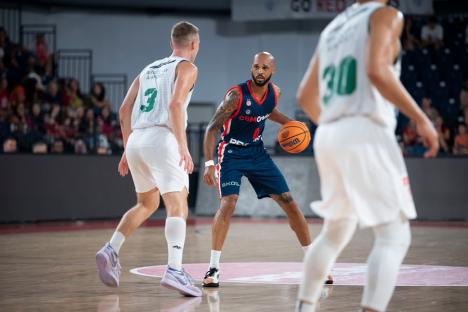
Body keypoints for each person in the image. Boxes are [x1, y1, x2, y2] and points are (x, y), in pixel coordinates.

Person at [295, 1, 438, 311]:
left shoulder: (333, 28)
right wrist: (422, 119)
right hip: (363, 129)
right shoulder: (386, 15)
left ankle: (304, 307)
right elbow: (377, 71)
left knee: (337, 229)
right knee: (394, 236)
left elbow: (305, 96)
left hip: (329, 132)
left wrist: (338, 126)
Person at [202, 52, 332, 287]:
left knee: (289, 201)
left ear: (272, 70)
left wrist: (290, 124)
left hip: (257, 153)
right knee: (228, 203)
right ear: (251, 69)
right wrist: (209, 163)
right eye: (256, 67)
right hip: (231, 152)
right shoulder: (235, 96)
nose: (259, 71)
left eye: (264, 68)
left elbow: (267, 111)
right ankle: (213, 269)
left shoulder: (275, 92)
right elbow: (212, 128)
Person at [95, 21, 202, 297]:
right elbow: (175, 104)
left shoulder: (148, 68)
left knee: (147, 202)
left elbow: (123, 110)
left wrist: (127, 146)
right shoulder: (188, 67)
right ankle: (175, 270)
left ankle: (111, 249)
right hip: (162, 139)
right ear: (194, 45)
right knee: (177, 205)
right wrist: (183, 145)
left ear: (171, 44)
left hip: (137, 141)